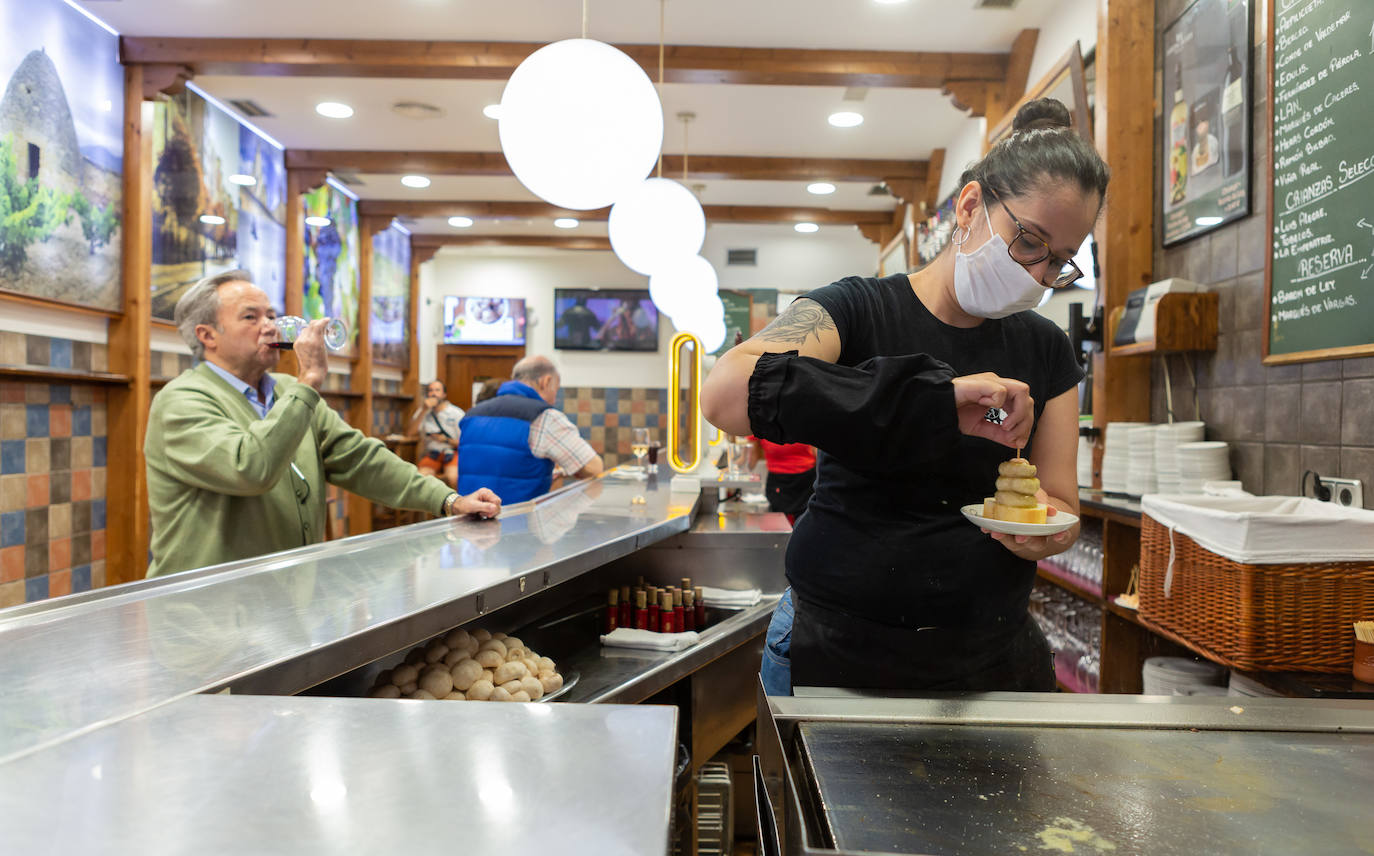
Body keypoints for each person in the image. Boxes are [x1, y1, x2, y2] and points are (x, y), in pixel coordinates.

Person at [702, 99, 1103, 695]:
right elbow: (727, 393)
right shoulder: (857, 308)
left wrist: (1044, 530)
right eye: (1028, 242)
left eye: (1060, 263)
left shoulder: (1044, 348)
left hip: (989, 658)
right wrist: (929, 400)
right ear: (970, 206)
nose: (1038, 274)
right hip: (835, 648)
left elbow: (1063, 508)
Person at [145, 270, 501, 577]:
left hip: (284, 599)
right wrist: (309, 380)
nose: (270, 326)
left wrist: (449, 499)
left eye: (271, 315)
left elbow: (361, 459)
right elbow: (250, 468)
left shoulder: (286, 391)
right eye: (250, 318)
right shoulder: (182, 401)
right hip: (209, 611)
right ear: (208, 336)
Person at [457, 355, 604, 503]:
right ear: (545, 381)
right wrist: (569, 471)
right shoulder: (545, 417)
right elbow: (594, 468)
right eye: (556, 389)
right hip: (517, 521)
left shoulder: (471, 415)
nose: (555, 398)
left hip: (468, 520)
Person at [745, 438, 817, 526]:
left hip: (806, 481)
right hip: (778, 482)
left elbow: (816, 451)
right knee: (779, 526)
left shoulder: (806, 424)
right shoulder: (763, 426)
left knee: (806, 523)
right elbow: (750, 458)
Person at [409, 379, 463, 487]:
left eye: (437, 390)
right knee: (420, 478)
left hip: (452, 452)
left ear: (444, 394)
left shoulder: (456, 413)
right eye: (430, 390)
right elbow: (411, 433)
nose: (433, 393)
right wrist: (424, 409)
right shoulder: (423, 412)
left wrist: (446, 440)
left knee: (453, 478)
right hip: (433, 454)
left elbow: (464, 442)